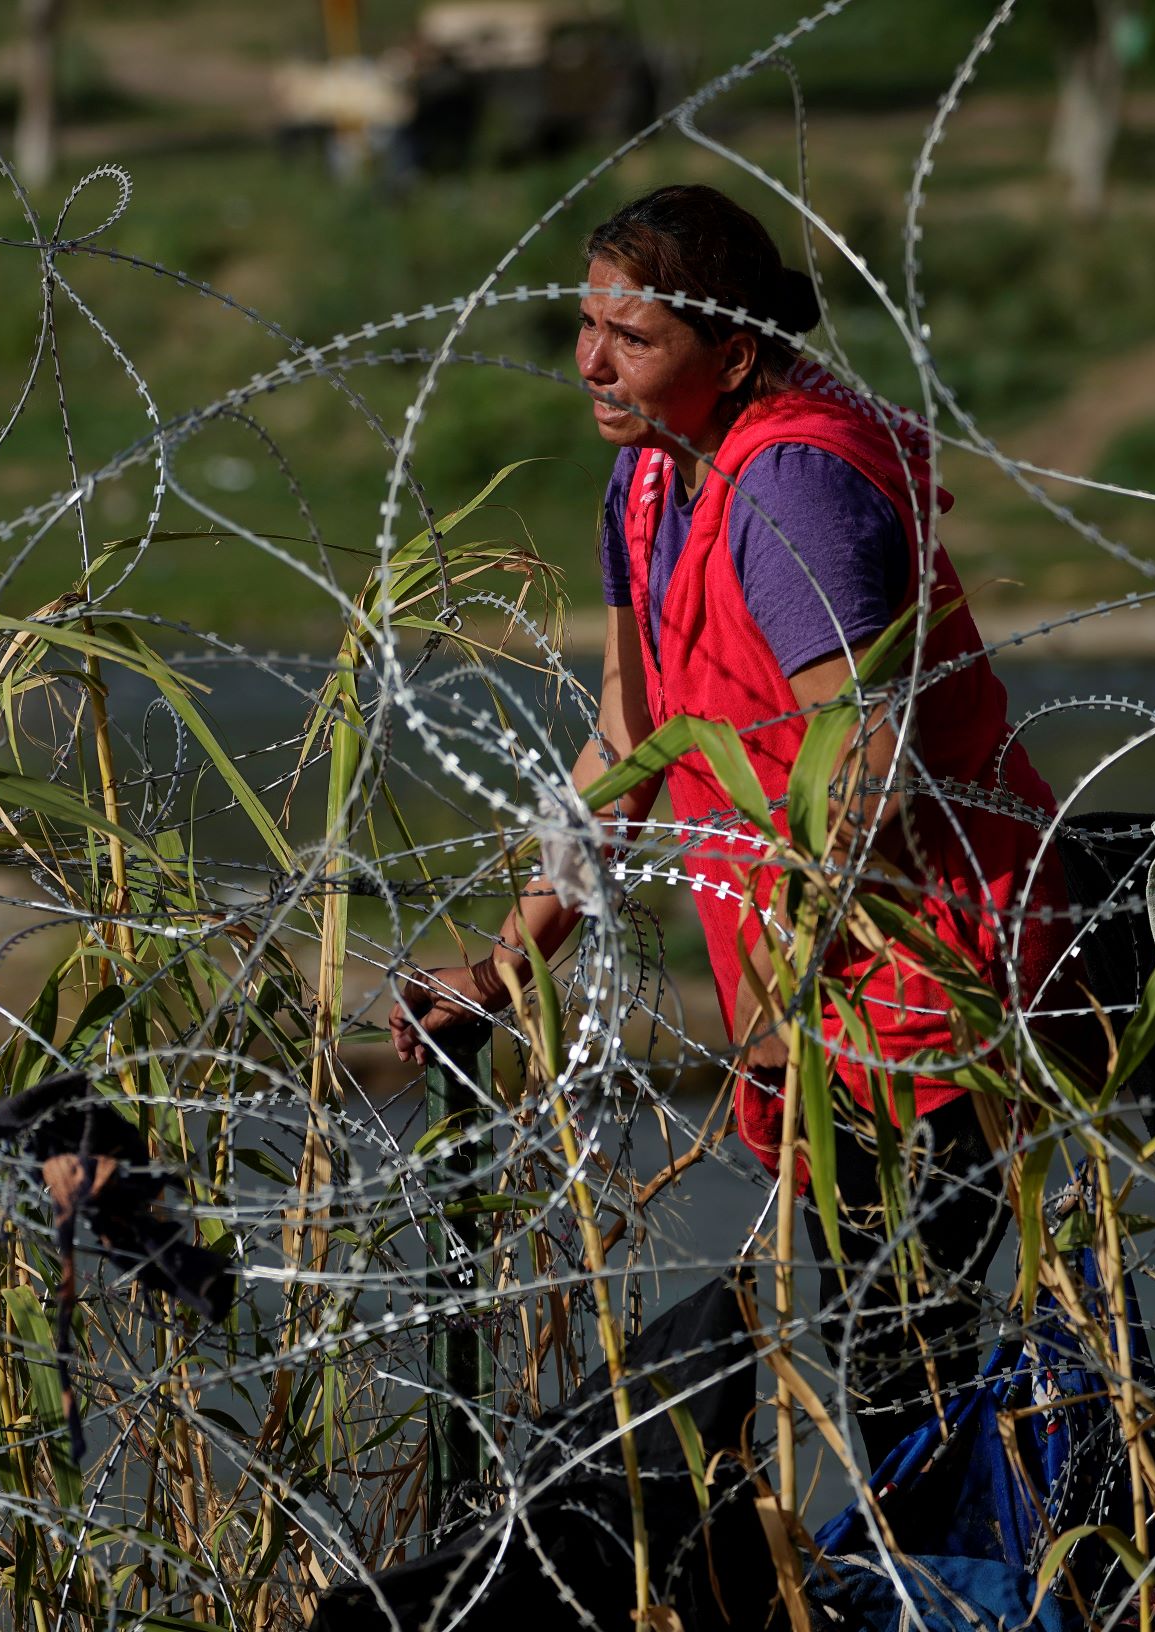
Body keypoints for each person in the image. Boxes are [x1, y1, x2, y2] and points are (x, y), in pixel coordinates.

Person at [390, 185, 1074, 1465]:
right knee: (884, 1358)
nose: (590, 361)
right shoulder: (651, 477)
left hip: (928, 982)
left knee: (906, 1369)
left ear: (735, 356)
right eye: (586, 325)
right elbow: (625, 743)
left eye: (632, 338)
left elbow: (865, 772)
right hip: (818, 998)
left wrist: (782, 991)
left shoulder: (791, 493)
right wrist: (503, 959)